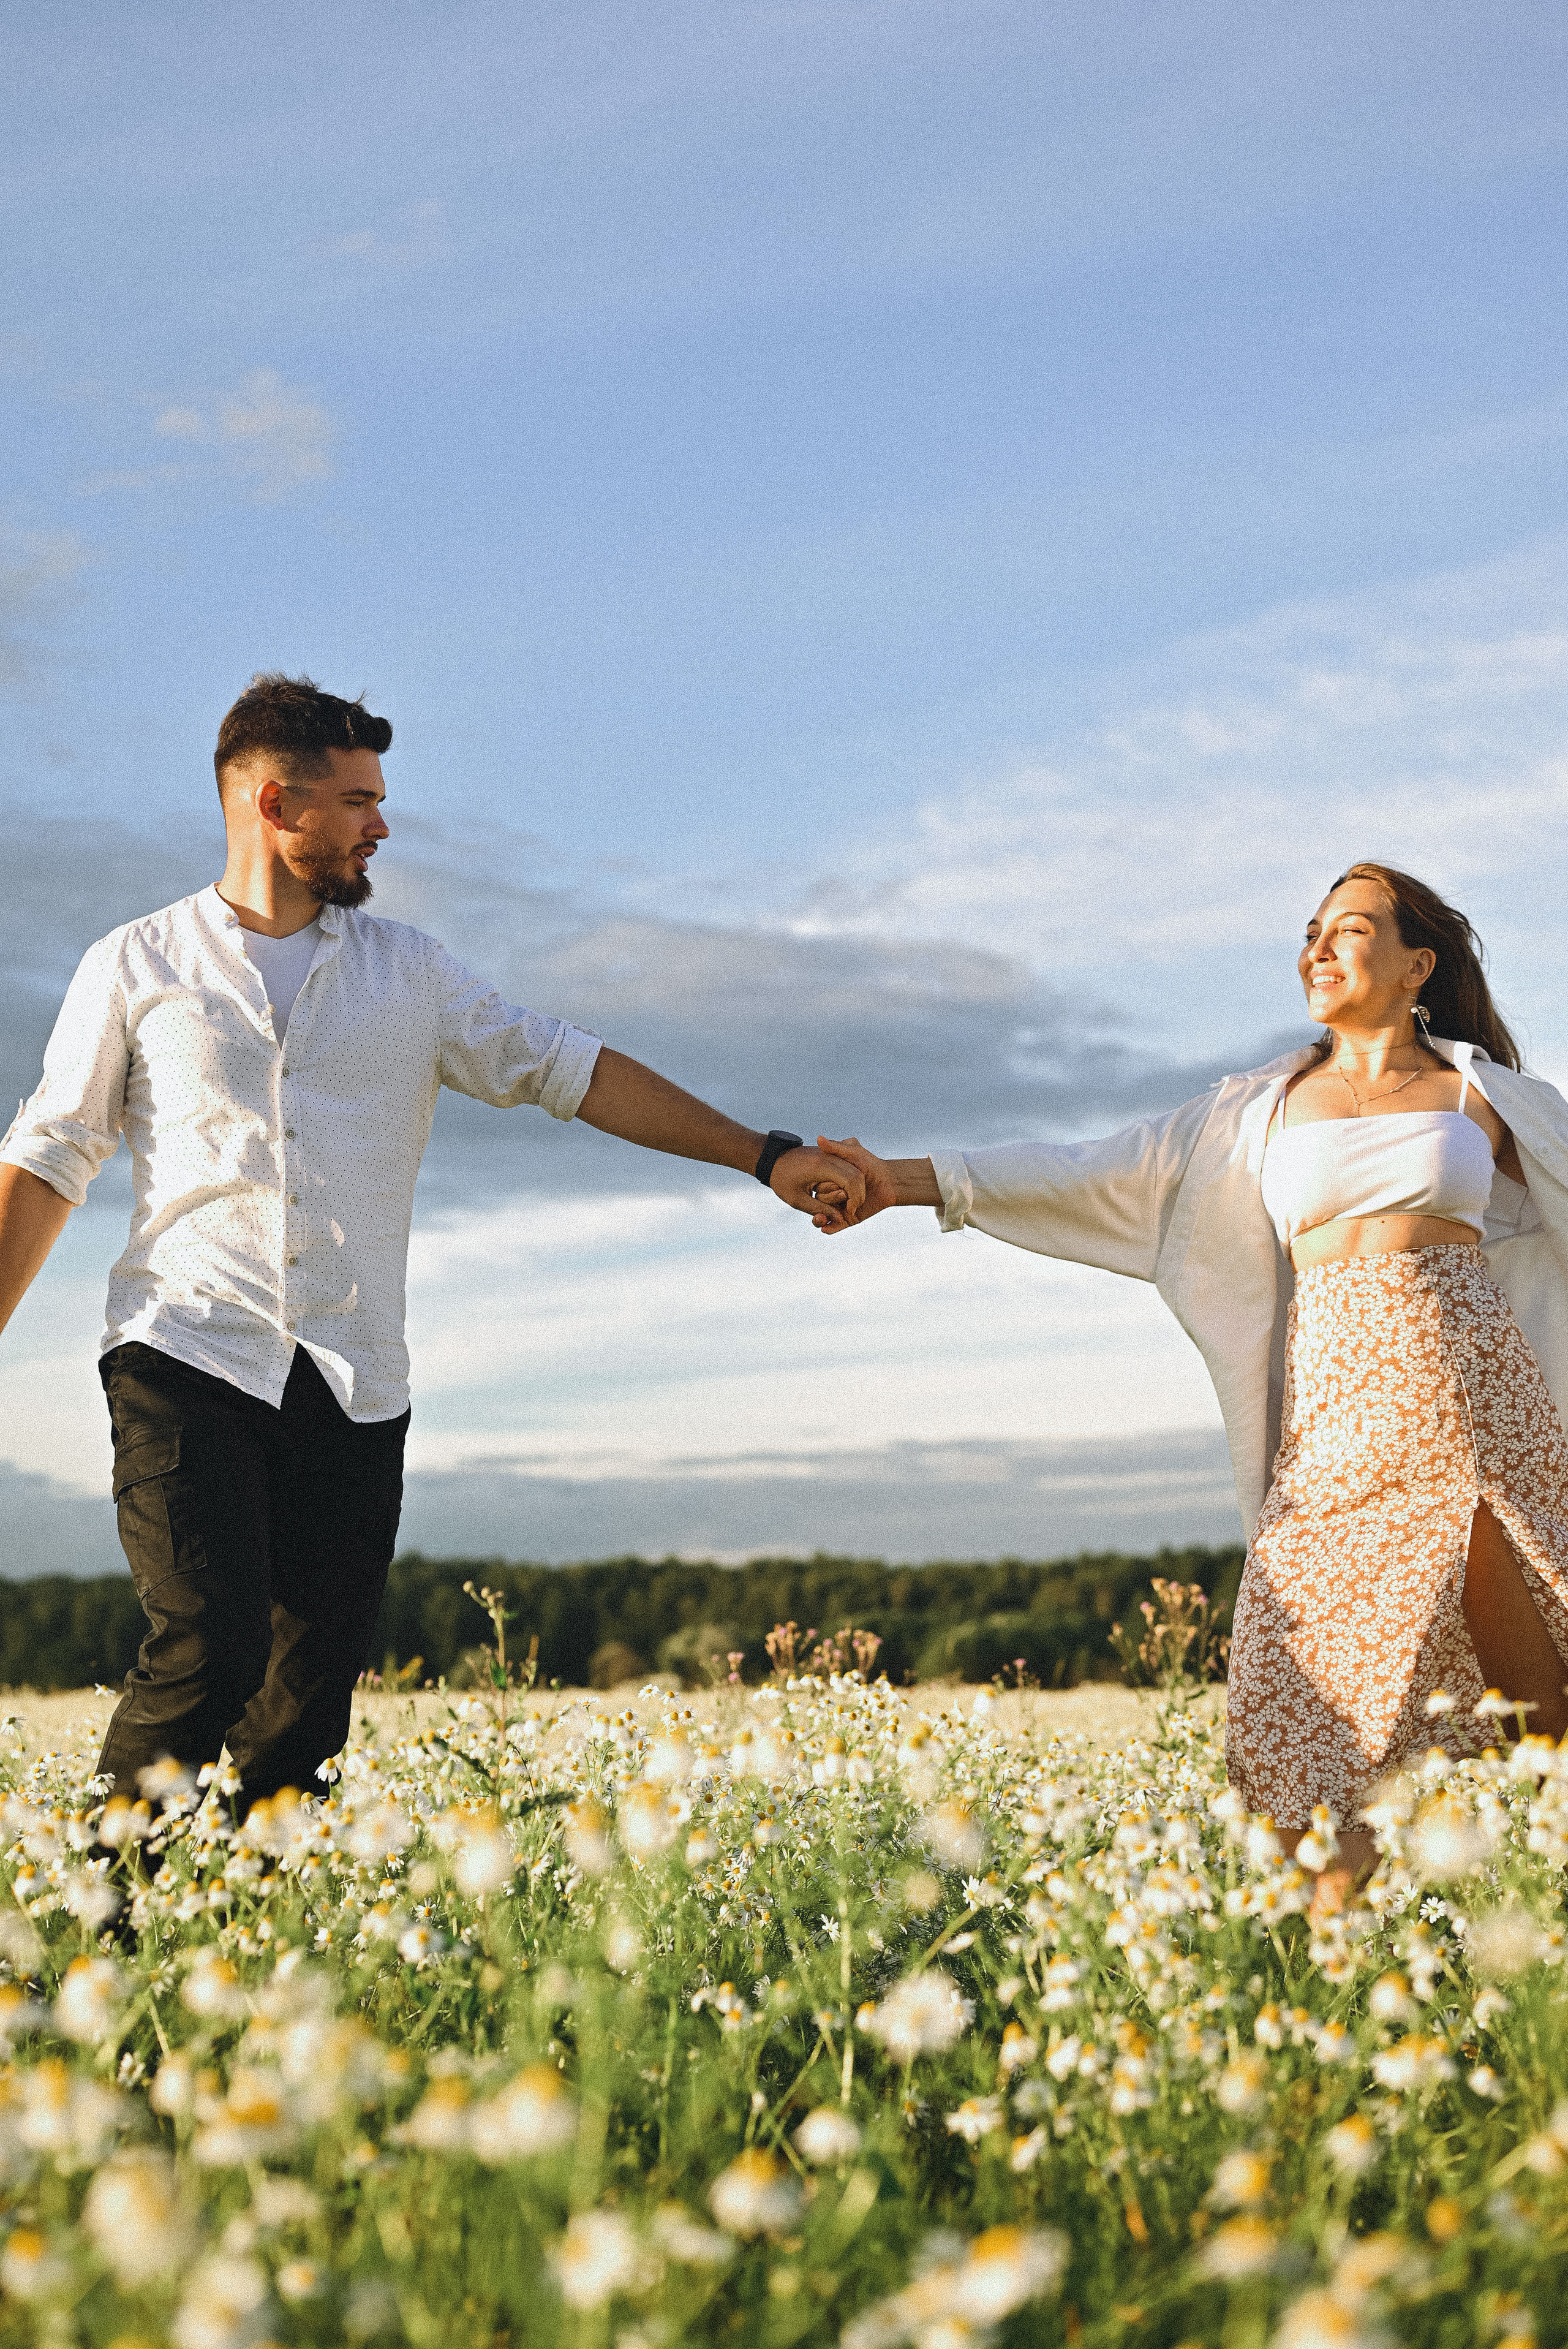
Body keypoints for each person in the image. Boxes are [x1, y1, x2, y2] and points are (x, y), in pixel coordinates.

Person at [0, 673, 863, 1813]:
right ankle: (100, 1904)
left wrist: (764, 1154)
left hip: (355, 1378)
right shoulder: (136, 964)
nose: (381, 824)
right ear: (275, 805)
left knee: (304, 1712)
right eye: (358, 800)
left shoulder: (412, 972)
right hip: (186, 1353)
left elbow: (571, 1069)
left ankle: (256, 1916)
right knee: (209, 1645)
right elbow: (50, 1155)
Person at [811, 864, 1568, 1892]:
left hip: (1478, 1414)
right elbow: (1093, 1168)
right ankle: (1329, 1959)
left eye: (1349, 929)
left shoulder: (1486, 1096)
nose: (1317, 947)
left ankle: (1528, 1928)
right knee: (1299, 1699)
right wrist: (902, 1181)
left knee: (1536, 1708)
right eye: (1310, 931)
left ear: (1416, 965)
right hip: (1337, 1433)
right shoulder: (1256, 1110)